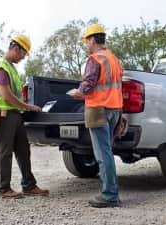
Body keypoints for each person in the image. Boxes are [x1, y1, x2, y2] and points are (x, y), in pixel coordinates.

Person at [0, 34, 49, 199]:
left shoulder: (11, 68)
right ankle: (3, 188)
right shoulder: (1, 68)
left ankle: (29, 185)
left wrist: (23, 108)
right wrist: (28, 107)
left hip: (15, 114)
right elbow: (6, 95)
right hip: (4, 114)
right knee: (4, 151)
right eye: (23, 54)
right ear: (16, 49)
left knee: (23, 150)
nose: (23, 58)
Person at [68, 24, 123, 208]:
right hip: (114, 109)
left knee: (103, 155)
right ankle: (112, 192)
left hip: (98, 109)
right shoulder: (114, 58)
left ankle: (110, 195)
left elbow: (89, 84)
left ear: (92, 39)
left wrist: (77, 92)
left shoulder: (95, 59)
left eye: (86, 41)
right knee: (107, 153)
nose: (86, 44)